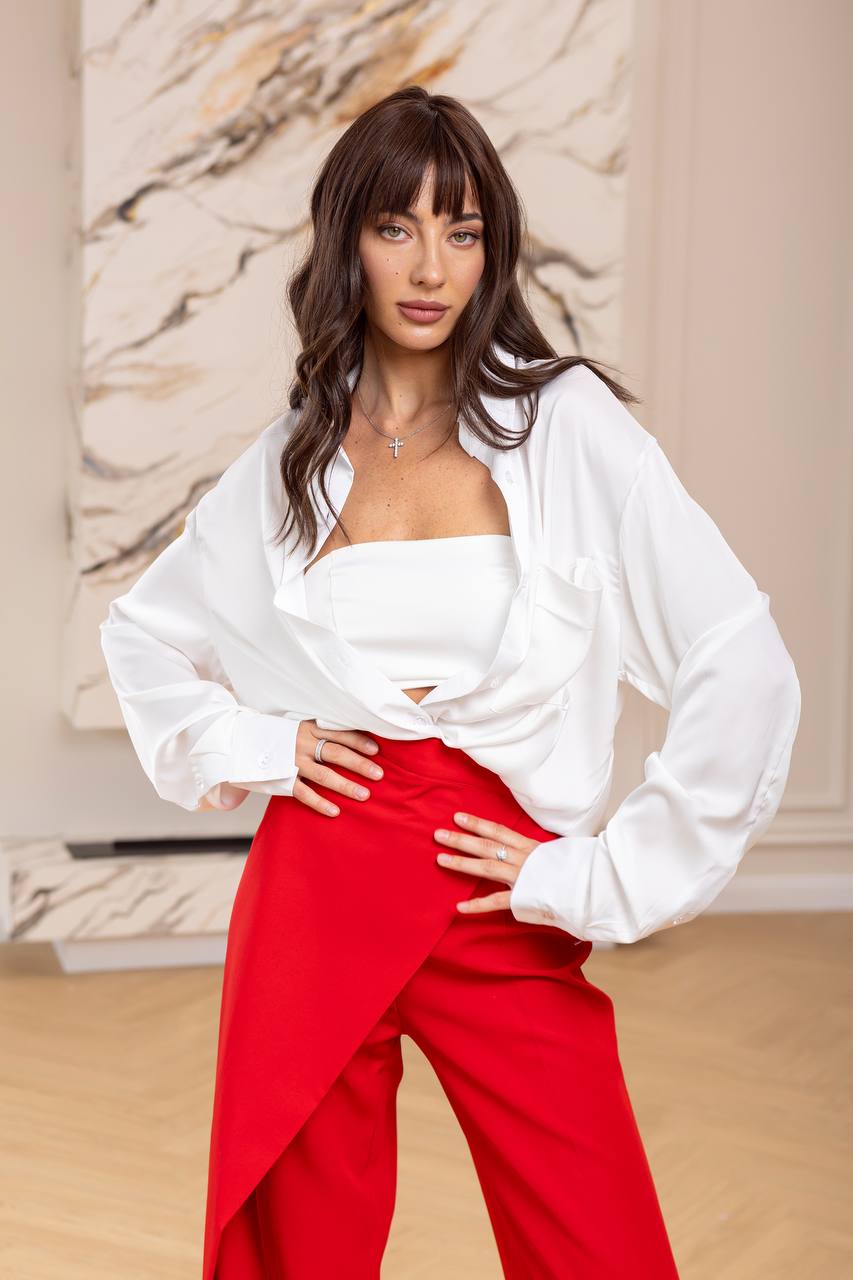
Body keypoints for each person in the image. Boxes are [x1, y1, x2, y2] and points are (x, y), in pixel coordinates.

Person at [99, 86, 801, 1280]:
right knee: (297, 1242)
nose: (431, 266)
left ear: (491, 249)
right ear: (347, 241)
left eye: (461, 230)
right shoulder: (291, 454)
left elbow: (739, 652)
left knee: (595, 1235)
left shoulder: (563, 425)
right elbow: (141, 635)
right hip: (317, 879)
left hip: (493, 882)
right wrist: (265, 746)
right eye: (396, 226)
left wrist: (597, 873)